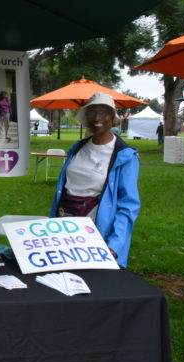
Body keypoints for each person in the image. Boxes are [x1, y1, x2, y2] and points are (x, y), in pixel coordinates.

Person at [50, 92, 140, 268]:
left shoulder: (125, 156)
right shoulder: (77, 148)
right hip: (64, 229)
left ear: (112, 117)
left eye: (103, 112)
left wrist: (114, 246)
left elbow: (129, 206)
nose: (97, 118)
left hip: (97, 235)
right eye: (92, 113)